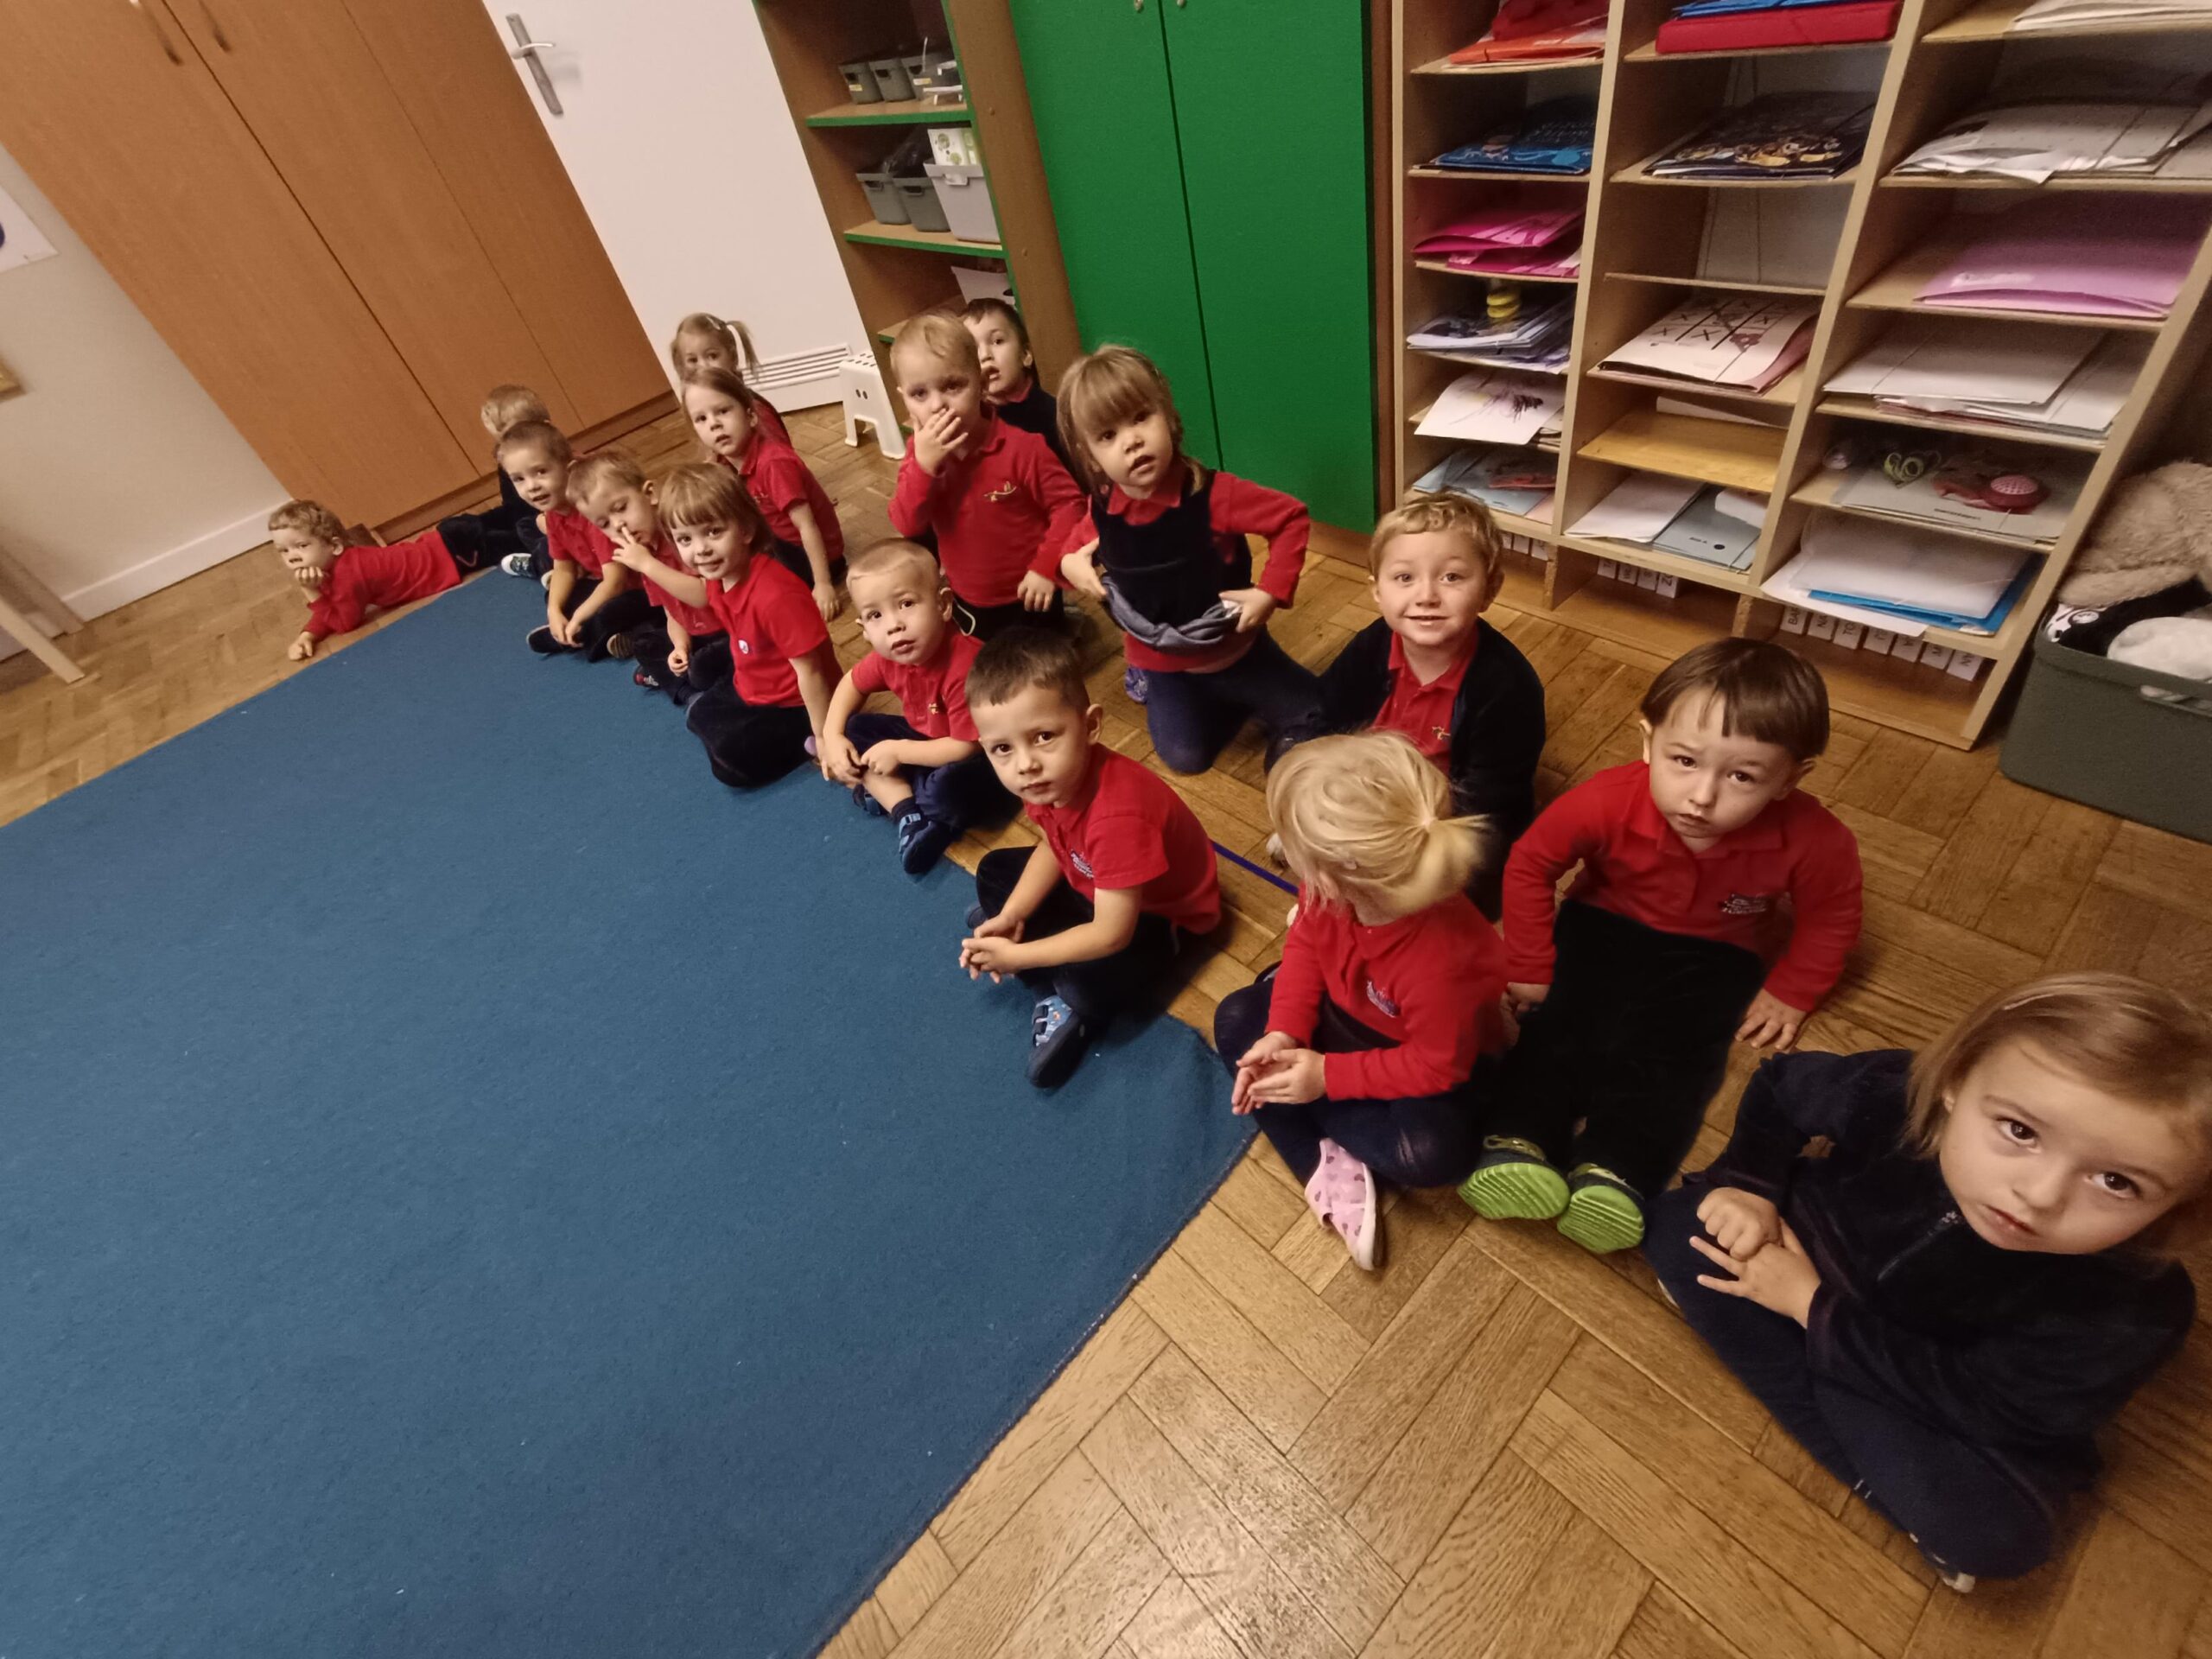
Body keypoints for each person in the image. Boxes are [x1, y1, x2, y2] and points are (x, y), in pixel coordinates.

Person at [1647, 973, 2212, 1589]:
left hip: (1933, 1366)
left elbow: (1999, 1410)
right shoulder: (1889, 1092)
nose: (2040, 1195)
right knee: (1679, 1227)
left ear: (2178, 1207)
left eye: (2117, 1183)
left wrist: (1811, 1308)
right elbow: (1783, 1085)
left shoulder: (2137, 1307)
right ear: (1954, 1082)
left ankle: (1825, 1386)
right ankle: (1878, 1471)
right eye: (2021, 1131)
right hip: (1820, 1245)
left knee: (2001, 1536)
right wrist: (1748, 1186)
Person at [1465, 639, 1863, 1253]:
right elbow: (1530, 866)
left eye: (1741, 776)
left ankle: (1618, 1170)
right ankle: (1517, 1139)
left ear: (1792, 777)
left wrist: (1792, 991)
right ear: (1648, 741)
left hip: (1720, 953)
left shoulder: (1818, 840)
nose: (1702, 796)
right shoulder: (1605, 799)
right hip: (1600, 922)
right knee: (1557, 1028)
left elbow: (1832, 915)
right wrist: (1529, 962)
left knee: (1673, 1059)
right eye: (1684, 761)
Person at [1212, 732, 1510, 1270]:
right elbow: (1305, 946)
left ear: (1331, 873)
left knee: (1433, 1154)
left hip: (1429, 1060)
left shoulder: (1440, 965)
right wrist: (1284, 1030)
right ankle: (1324, 1158)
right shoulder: (1329, 891)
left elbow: (1437, 1066)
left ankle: (1311, 1138)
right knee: (1236, 1018)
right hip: (1352, 1017)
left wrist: (1324, 1078)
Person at [962, 629, 1220, 1087]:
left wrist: (1020, 957)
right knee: (994, 873)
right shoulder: (1048, 780)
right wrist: (1015, 912)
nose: (1024, 764)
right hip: (1096, 882)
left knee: (1086, 983)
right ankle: (1034, 938)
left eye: (1044, 736)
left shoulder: (1118, 817)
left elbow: (1111, 933)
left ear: (1091, 725)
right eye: (1003, 748)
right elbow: (1054, 845)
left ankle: (1065, 1000)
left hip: (1155, 919)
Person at [1056, 345, 1326, 772]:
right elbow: (1069, 554)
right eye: (1107, 435)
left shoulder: (1215, 495)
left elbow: (1290, 518)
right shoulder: (1101, 510)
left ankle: (1235, 698)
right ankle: (1187, 693)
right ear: (1090, 456)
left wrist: (1270, 592)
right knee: (1185, 759)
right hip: (1165, 666)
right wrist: (1068, 565)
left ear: (1168, 416)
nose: (1131, 441)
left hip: (1240, 653)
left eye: (1141, 417)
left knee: (1319, 711)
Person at [1318, 494, 1545, 916]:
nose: (1426, 596)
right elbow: (1326, 718)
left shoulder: (1508, 687)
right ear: (1377, 591)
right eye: (1404, 577)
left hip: (1452, 811)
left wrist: (1411, 838)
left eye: (1452, 577)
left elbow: (1490, 799)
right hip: (1375, 787)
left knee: (1469, 900)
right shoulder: (1370, 646)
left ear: (1490, 590)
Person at [606, 462, 836, 789]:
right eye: (685, 539)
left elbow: (811, 673)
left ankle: (808, 742)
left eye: (714, 532)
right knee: (700, 717)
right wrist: (648, 563)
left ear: (745, 530)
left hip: (795, 703)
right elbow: (699, 597)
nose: (701, 549)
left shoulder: (776, 596)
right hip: (755, 682)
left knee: (730, 766)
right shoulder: (719, 579)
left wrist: (825, 735)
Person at [887, 314, 1088, 641]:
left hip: (1032, 592)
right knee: (990, 668)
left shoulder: (1024, 449)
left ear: (981, 383)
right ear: (903, 398)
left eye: (953, 386)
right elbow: (908, 524)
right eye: (919, 393)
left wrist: (1046, 567)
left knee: (1046, 664)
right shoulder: (917, 455)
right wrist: (924, 469)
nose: (937, 405)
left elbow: (1069, 506)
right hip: (969, 597)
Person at [818, 539, 1007, 875]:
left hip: (978, 755)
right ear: (864, 630)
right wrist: (831, 736)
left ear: (943, 605)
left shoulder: (966, 665)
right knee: (853, 729)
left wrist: (899, 751)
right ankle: (907, 811)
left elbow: (966, 746)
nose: (894, 625)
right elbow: (851, 683)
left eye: (906, 604)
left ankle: (894, 790)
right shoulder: (891, 655)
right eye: (876, 615)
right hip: (925, 742)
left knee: (946, 792)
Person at [683, 365, 844, 621]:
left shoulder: (773, 463)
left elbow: (807, 525)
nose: (714, 424)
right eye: (701, 419)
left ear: (751, 416)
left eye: (723, 411)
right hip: (777, 542)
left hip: (814, 556)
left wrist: (822, 584)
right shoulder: (724, 462)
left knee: (754, 588)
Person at [272, 500, 467, 661]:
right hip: (446, 541)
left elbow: (344, 623)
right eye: (284, 550)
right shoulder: (333, 566)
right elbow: (332, 607)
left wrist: (310, 591)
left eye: (302, 546)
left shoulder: (348, 574)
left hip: (458, 553)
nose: (292, 556)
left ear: (335, 546)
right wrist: (307, 635)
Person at [536, 451, 658, 660]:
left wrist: (579, 616)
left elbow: (615, 583)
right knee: (557, 597)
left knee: (610, 613)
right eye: (518, 479)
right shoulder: (556, 517)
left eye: (541, 472)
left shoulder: (595, 515)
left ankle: (590, 636)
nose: (617, 524)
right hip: (614, 585)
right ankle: (575, 633)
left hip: (639, 591)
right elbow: (563, 569)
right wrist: (553, 611)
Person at [441, 383, 554, 581]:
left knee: (516, 532)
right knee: (461, 526)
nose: (509, 447)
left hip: (543, 521)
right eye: (503, 441)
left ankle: (538, 563)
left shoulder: (555, 456)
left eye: (517, 438)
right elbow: (512, 506)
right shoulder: (507, 460)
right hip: (523, 514)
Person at [962, 297, 1068, 473]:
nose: (985, 355)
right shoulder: (972, 418)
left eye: (997, 341)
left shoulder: (1053, 415)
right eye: (973, 350)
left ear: (1025, 354)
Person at [666, 312, 791, 444]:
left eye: (712, 356)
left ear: (733, 357)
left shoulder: (756, 410)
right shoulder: (699, 407)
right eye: (693, 360)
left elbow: (779, 453)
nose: (704, 366)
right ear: (682, 366)